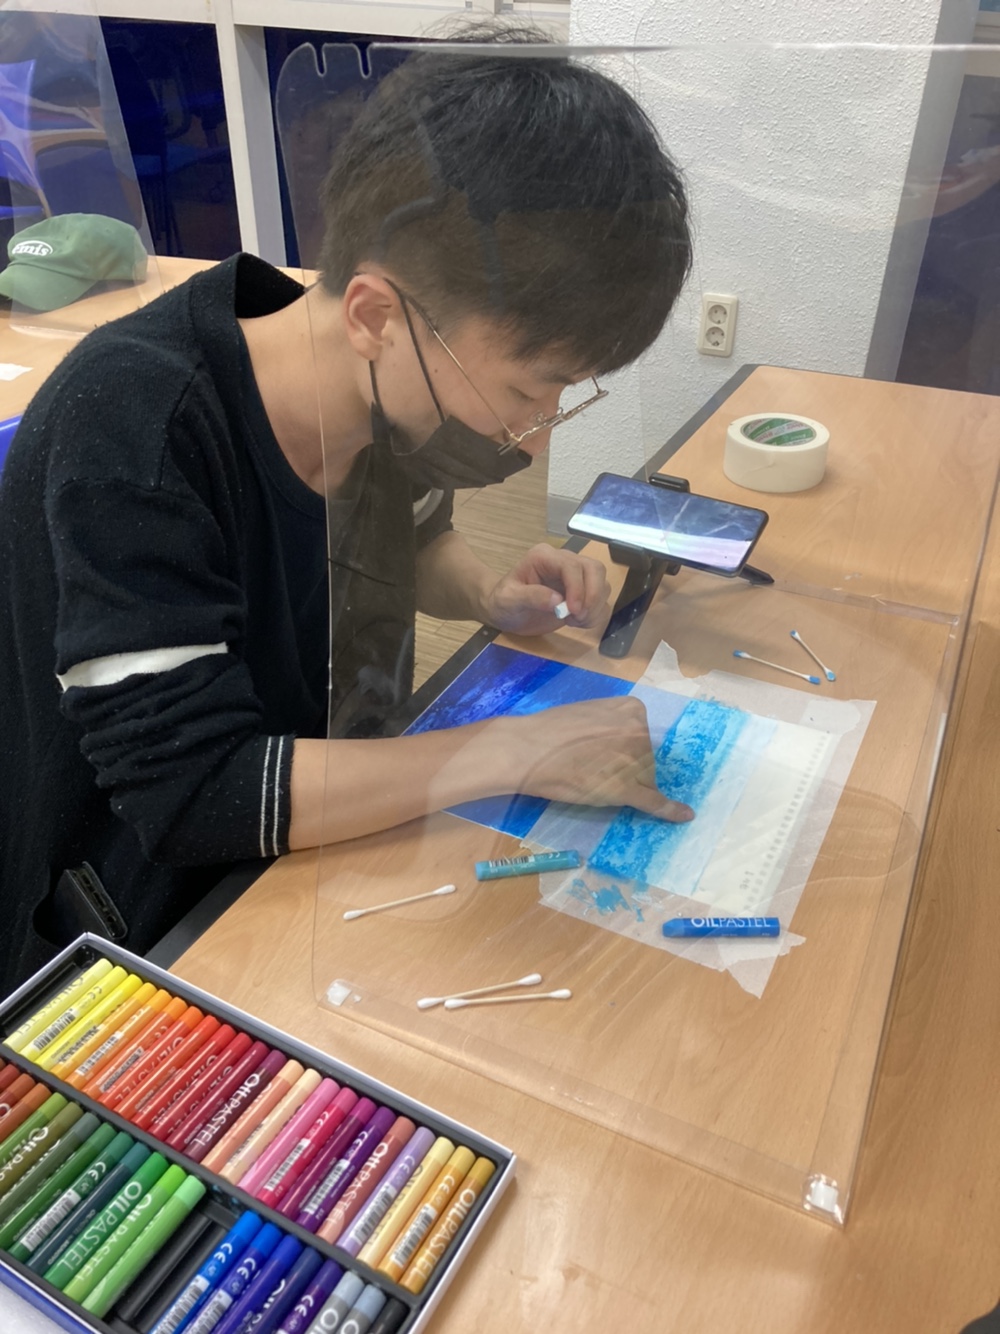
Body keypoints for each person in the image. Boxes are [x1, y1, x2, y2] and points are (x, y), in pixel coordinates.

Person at [0, 24, 694, 993]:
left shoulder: (380, 384)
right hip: (143, 919)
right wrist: (514, 749)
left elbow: (405, 537)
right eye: (527, 389)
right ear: (373, 314)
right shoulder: (136, 429)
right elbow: (193, 792)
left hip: (327, 830)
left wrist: (484, 589)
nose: (533, 439)